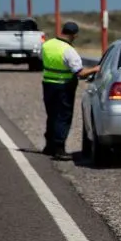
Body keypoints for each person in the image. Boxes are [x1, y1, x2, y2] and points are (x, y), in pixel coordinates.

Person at [41, 21, 100, 161]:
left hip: (48, 85)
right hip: (63, 87)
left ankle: (49, 146)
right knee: (63, 117)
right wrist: (95, 69)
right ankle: (59, 149)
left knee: (52, 115)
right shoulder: (68, 51)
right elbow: (80, 73)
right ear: (74, 35)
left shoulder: (47, 45)